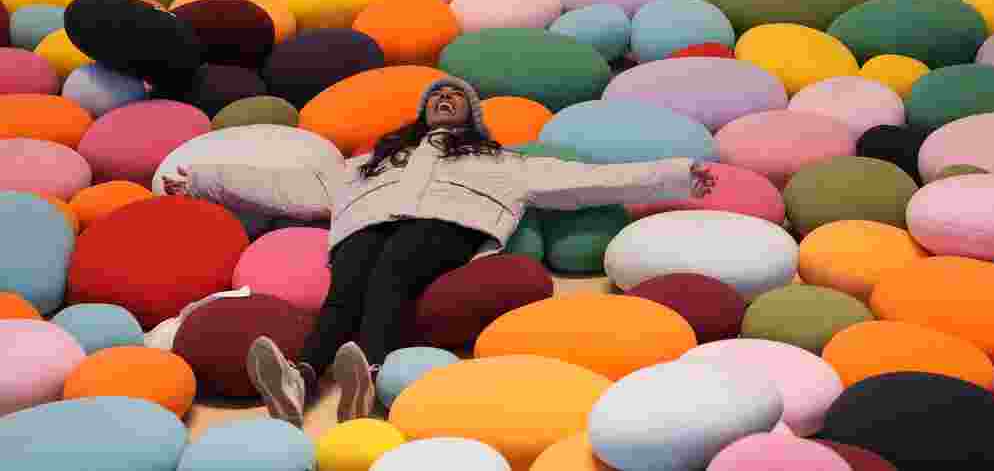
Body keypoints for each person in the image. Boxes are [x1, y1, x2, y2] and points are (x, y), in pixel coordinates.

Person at [162, 76, 717, 428]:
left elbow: (587, 181)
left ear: (470, 115)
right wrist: (204, 180)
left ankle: (369, 372)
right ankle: (300, 379)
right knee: (344, 292)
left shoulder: (503, 163)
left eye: (454, 97)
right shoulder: (369, 165)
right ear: (422, 113)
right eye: (436, 97)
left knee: (393, 275)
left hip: (447, 225)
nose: (444, 100)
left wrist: (674, 175)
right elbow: (289, 186)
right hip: (364, 225)